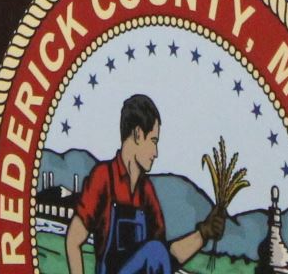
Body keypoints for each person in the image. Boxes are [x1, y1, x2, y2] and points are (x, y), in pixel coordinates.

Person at [65, 94, 221, 274]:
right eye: (153, 141)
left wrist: (204, 233)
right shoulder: (103, 177)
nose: (156, 153)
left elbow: (168, 256)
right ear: (138, 134)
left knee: (157, 252)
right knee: (155, 252)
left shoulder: (146, 191)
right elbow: (73, 241)